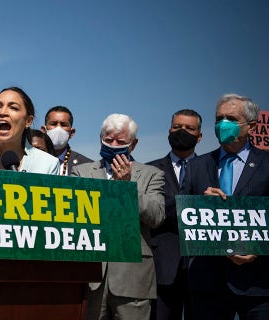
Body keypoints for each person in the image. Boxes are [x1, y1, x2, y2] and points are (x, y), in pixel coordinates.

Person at [180, 94, 269, 319]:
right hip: (207, 283)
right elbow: (181, 216)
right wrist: (201, 205)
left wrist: (258, 249)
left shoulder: (266, 164)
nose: (222, 124)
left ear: (251, 126)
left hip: (258, 285)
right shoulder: (197, 166)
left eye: (230, 118)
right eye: (219, 118)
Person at [70, 113, 165, 320]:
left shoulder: (152, 174)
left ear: (133, 144)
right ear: (100, 139)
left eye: (120, 141)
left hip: (133, 278)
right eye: (108, 140)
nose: (113, 145)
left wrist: (128, 188)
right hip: (91, 276)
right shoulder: (81, 172)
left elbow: (156, 216)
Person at [146, 109, 203, 320]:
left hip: (202, 267)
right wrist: (193, 205)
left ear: (200, 136)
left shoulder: (212, 167)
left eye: (190, 128)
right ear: (169, 130)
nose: (182, 132)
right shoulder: (149, 169)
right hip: (162, 267)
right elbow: (151, 209)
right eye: (177, 127)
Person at [41, 105, 93, 175]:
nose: (58, 128)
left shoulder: (87, 166)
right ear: (43, 130)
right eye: (53, 124)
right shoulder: (30, 159)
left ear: (71, 133)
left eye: (63, 125)